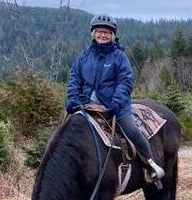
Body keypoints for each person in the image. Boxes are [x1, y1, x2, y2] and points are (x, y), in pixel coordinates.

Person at [66, 14, 164, 181]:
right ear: (93, 34)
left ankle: (150, 164)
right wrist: (72, 100)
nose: (102, 35)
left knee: (132, 130)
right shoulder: (84, 56)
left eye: (106, 33)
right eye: (99, 32)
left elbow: (125, 82)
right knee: (64, 131)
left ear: (112, 35)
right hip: (87, 105)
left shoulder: (119, 57)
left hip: (115, 106)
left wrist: (115, 104)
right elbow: (74, 78)